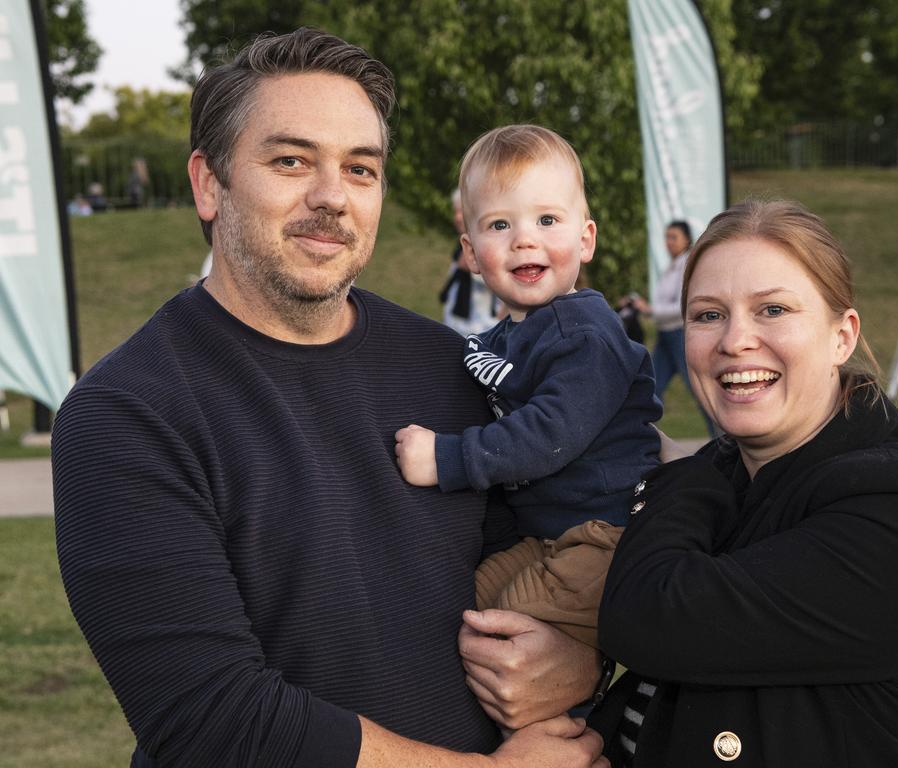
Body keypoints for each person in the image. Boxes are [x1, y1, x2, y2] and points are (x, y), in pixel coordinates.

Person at [52, 29, 607, 768]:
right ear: (208, 183)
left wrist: (584, 657)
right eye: (291, 161)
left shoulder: (455, 369)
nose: (331, 197)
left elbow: (561, 549)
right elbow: (212, 721)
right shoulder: (124, 414)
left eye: (361, 168)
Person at [590, 200, 898, 767]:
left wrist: (677, 474)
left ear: (841, 336)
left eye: (773, 309)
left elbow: (648, 617)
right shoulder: (737, 472)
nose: (735, 340)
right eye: (708, 315)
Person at [394, 125, 662, 648]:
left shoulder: (585, 331)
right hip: (542, 536)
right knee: (457, 609)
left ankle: (567, 727)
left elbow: (549, 434)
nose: (524, 239)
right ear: (471, 253)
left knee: (506, 634)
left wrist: (448, 458)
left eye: (546, 219)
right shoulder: (502, 338)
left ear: (585, 239)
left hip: (603, 535)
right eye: (500, 224)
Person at [644, 220, 715, 435]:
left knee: (700, 389)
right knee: (651, 389)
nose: (668, 242)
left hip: (679, 334)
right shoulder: (671, 267)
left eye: (673, 237)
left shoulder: (687, 265)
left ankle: (723, 437)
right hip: (665, 335)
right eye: (666, 237)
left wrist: (650, 310)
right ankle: (641, 440)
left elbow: (683, 306)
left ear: (686, 239)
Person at [441, 189, 502, 336]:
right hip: (455, 326)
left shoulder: (493, 246)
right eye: (455, 212)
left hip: (484, 330)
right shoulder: (461, 246)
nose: (457, 217)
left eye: (462, 211)